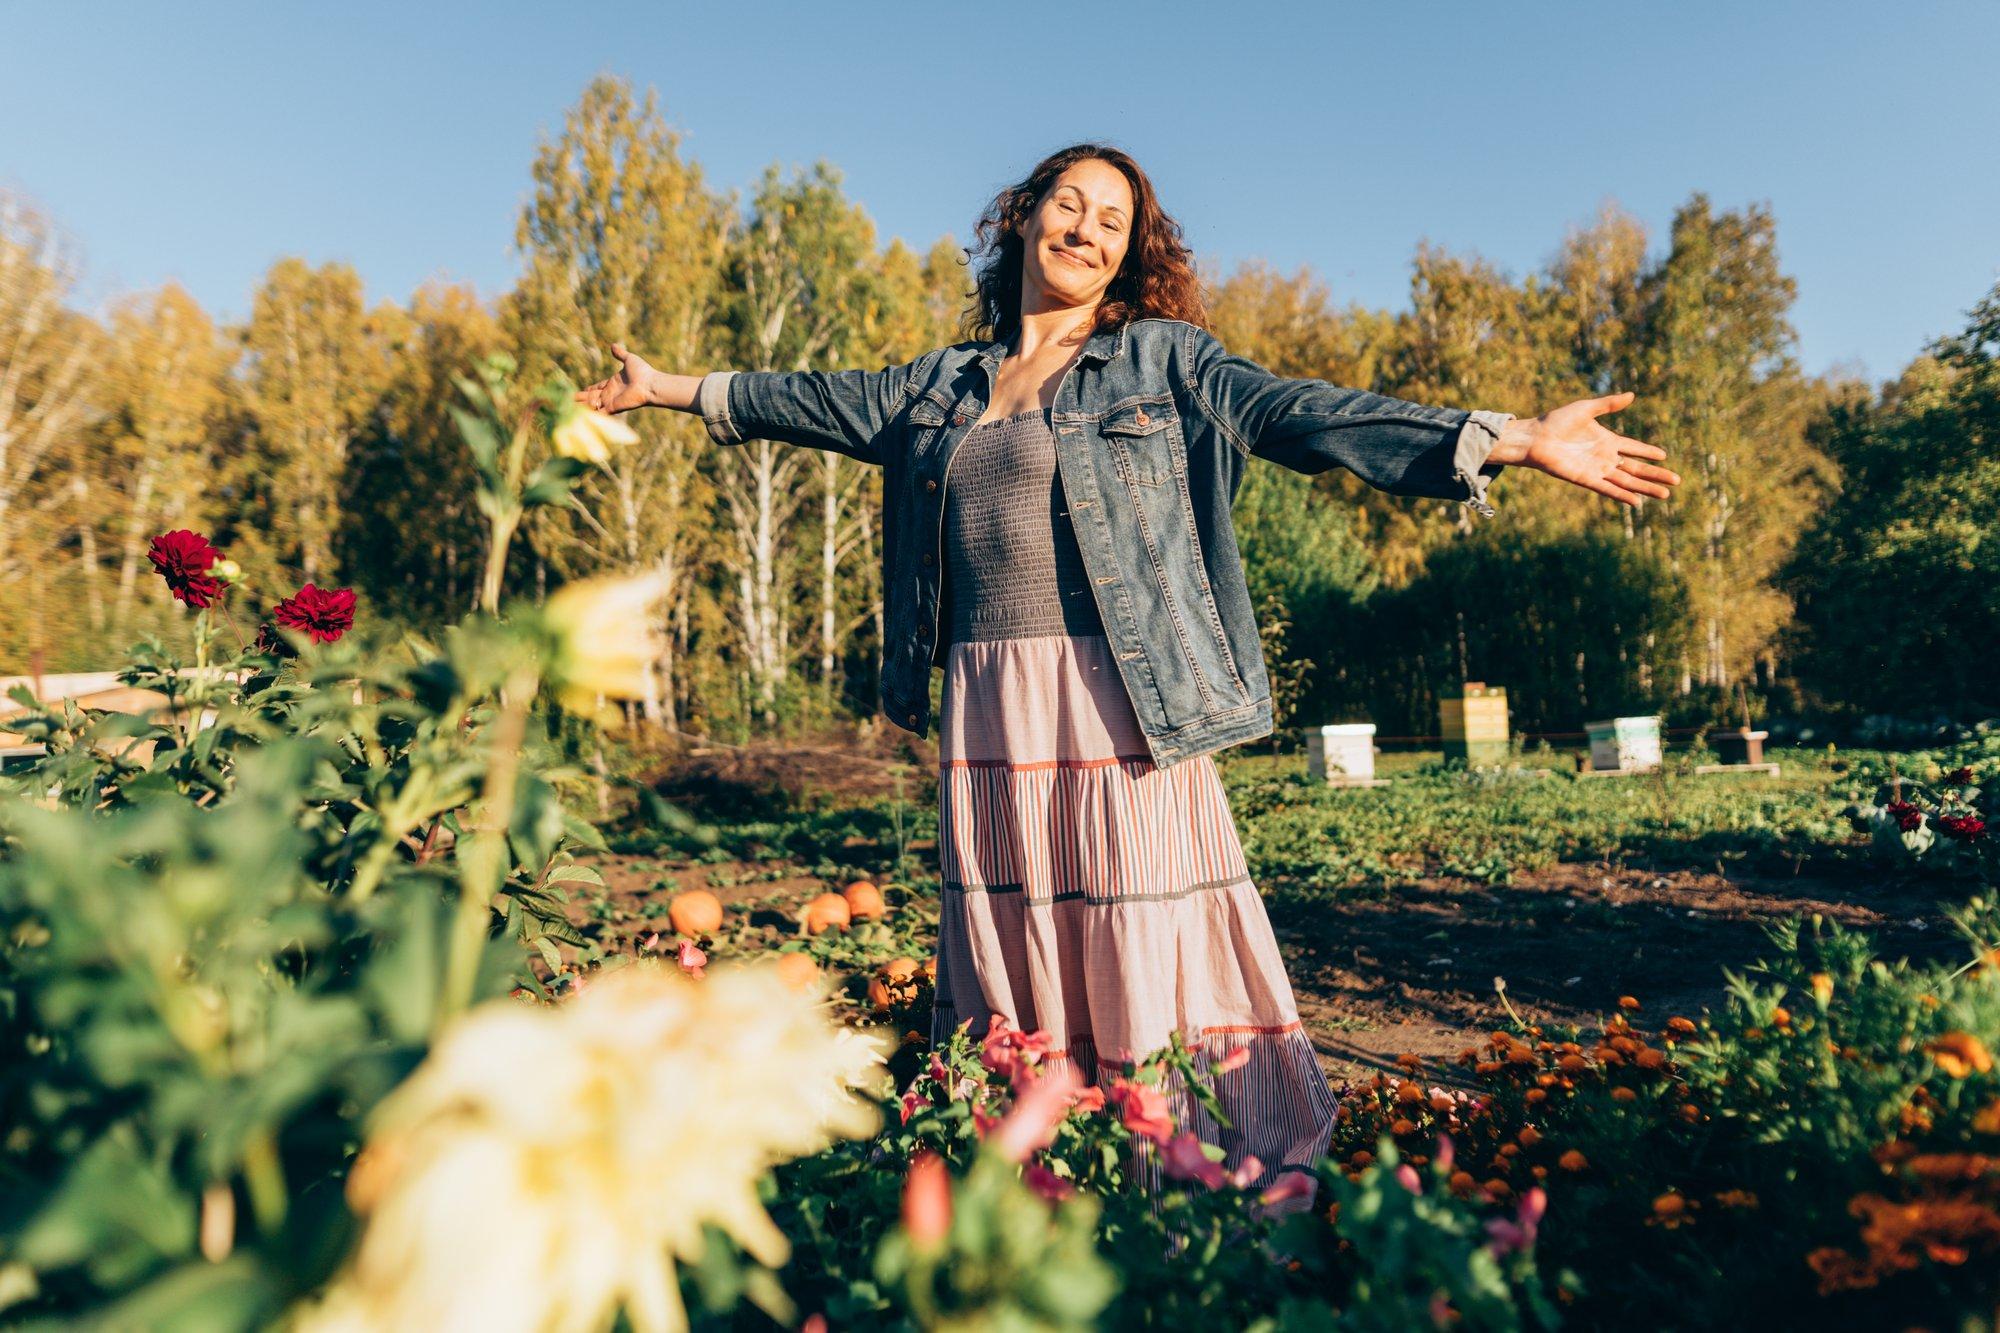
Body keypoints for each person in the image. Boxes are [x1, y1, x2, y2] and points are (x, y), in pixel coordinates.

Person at [576, 142, 1681, 1209]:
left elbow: (1298, 413)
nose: (1086, 230)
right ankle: (1041, 1158)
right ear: (1022, 217)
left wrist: (1505, 438)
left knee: (1134, 924)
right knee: (1011, 933)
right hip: (989, 704)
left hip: (1119, 697)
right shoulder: (941, 386)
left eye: (1113, 220)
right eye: (1069, 204)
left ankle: (1170, 1163)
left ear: (1129, 251)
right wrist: (669, 387)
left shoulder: (1163, 360)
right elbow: (813, 401)